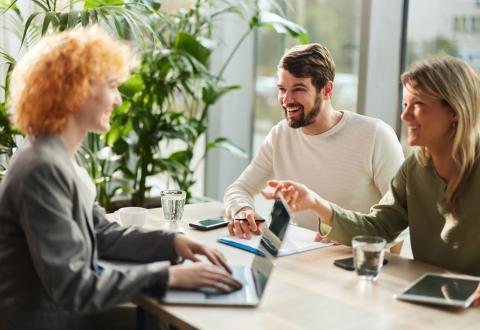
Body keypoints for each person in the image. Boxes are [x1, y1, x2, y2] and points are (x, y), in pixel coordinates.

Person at [0, 27, 240, 329]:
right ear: (75, 89)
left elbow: (100, 233)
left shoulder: (56, 155)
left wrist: (172, 243)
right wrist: (169, 276)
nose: (118, 101)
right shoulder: (43, 168)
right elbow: (73, 286)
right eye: (112, 86)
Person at [263, 56, 480, 277]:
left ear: (454, 110)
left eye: (418, 105)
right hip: (433, 292)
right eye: (405, 105)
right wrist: (315, 203)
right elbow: (380, 227)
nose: (405, 115)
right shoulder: (415, 168)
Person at [225, 43, 404, 240]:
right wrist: (242, 210)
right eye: (282, 89)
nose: (286, 99)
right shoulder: (280, 135)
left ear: (327, 89)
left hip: (354, 260)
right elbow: (239, 189)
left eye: (298, 89)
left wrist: (352, 237)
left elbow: (402, 220)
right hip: (299, 256)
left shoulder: (375, 135)